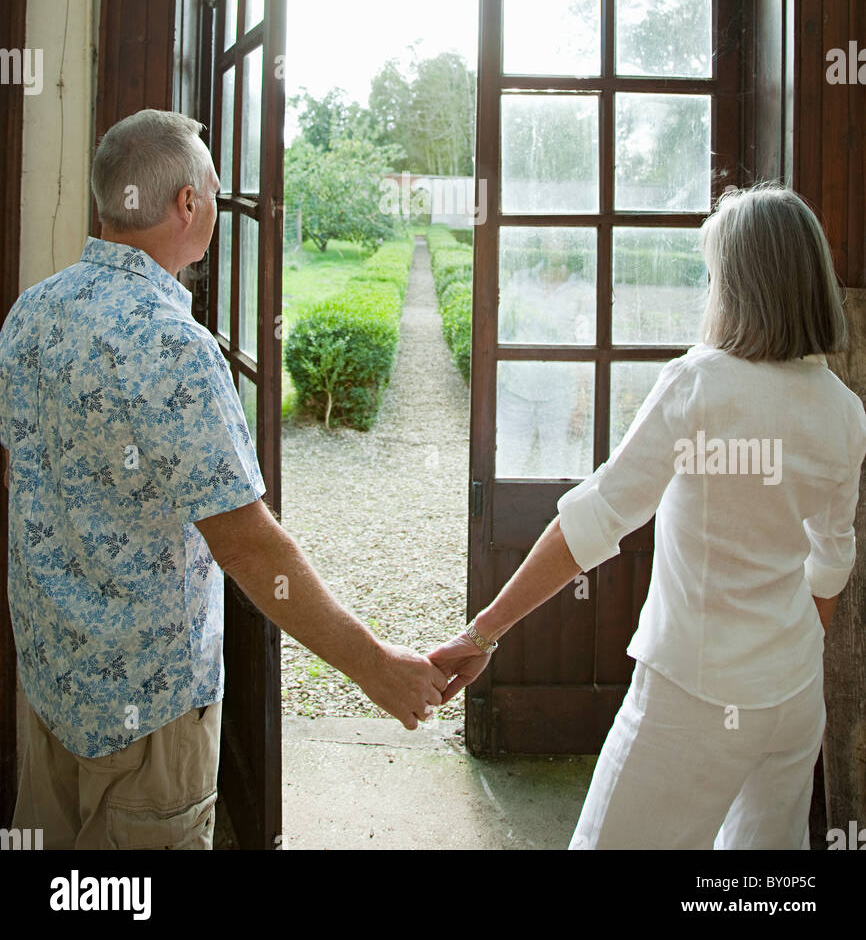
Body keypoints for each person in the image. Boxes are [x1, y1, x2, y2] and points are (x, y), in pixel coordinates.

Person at [0, 109, 447, 850]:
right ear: (187, 204)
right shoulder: (174, 346)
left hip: (51, 686)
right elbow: (247, 547)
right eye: (212, 187)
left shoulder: (30, 315)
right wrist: (374, 665)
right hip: (147, 718)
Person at [429, 185, 866, 850]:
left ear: (740, 284)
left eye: (714, 274)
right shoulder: (843, 409)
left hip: (693, 694)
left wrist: (483, 634)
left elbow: (594, 523)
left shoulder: (700, 384)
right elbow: (831, 561)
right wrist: (787, 655)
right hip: (795, 695)